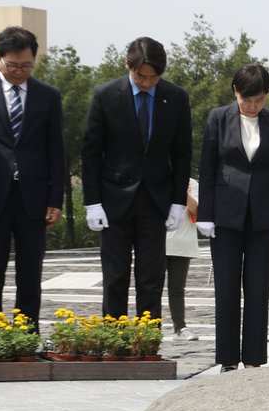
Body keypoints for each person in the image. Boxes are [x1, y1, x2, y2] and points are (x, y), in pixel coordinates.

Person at [81, 37, 193, 321]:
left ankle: (147, 348)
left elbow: (182, 154)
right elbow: (91, 152)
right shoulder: (106, 95)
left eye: (155, 76)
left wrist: (178, 202)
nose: (147, 82)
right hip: (114, 200)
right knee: (115, 277)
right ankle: (115, 348)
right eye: (141, 76)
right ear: (128, 66)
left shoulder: (175, 97)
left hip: (155, 201)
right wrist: (92, 202)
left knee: (151, 279)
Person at [0, 26, 64, 324]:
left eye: (26, 66)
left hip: (33, 196)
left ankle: (26, 334)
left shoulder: (48, 96)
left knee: (30, 272)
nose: (19, 72)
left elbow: (56, 151)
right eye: (13, 65)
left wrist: (54, 198)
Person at [197, 63, 269, 371]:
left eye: (259, 100)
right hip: (225, 214)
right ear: (235, 92)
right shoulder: (218, 118)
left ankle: (253, 358)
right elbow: (208, 168)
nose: (253, 107)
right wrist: (206, 214)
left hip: (262, 215)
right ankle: (227, 359)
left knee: (258, 287)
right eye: (247, 100)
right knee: (226, 287)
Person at [165, 177, 201, 340]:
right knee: (151, 288)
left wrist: (181, 190)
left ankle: (180, 328)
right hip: (155, 243)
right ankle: (151, 326)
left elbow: (198, 210)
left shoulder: (192, 184)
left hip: (182, 244)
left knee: (177, 289)